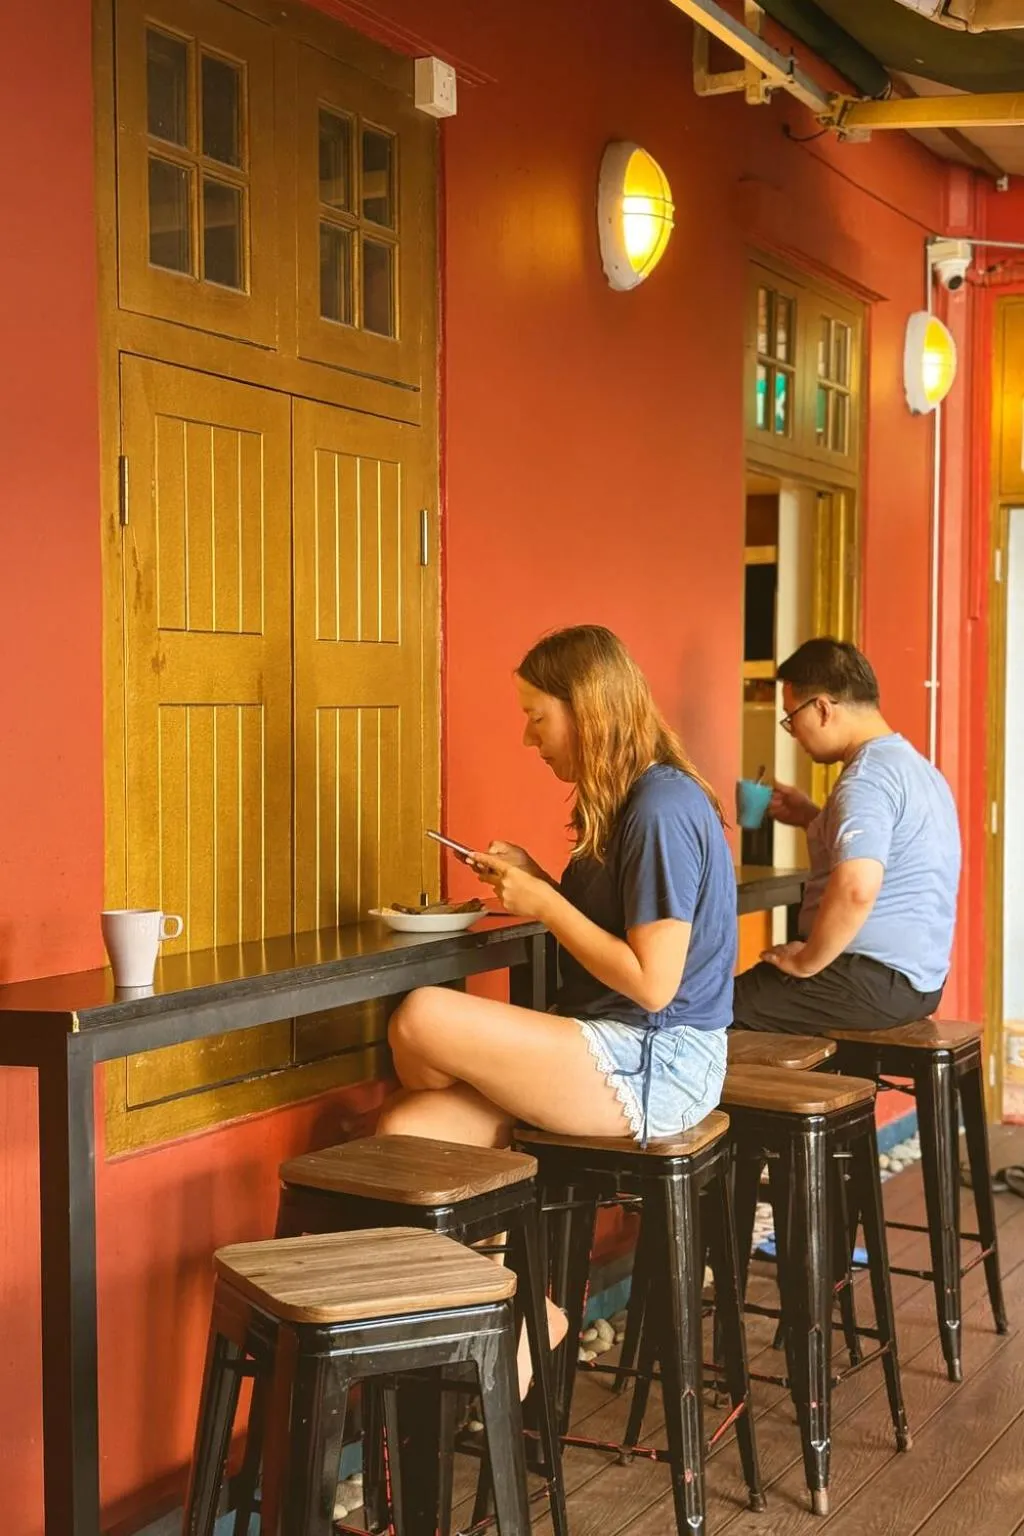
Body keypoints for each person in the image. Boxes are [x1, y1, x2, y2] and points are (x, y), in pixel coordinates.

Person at [377, 624, 736, 1390]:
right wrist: (540, 876)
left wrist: (541, 901)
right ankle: (525, 1315)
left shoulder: (661, 807)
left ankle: (498, 1330)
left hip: (660, 1060)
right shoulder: (632, 800)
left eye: (537, 716)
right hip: (614, 1043)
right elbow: (618, 932)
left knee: (421, 1019)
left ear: (586, 710)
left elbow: (653, 984)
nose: (527, 736)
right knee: (408, 1132)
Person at [733, 637, 961, 1037]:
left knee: (710, 1013)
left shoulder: (865, 779)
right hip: (919, 982)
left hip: (868, 979)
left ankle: (790, 1100)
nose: (792, 733)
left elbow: (857, 887)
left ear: (822, 708)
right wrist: (811, 817)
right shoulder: (916, 768)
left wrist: (807, 962)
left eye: (790, 718)